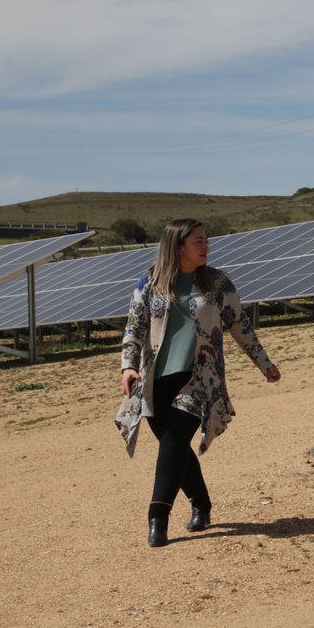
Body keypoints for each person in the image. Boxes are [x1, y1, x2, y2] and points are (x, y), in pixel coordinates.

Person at [116, 218, 281, 548]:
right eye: (198, 242)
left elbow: (240, 325)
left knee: (175, 440)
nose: (206, 247)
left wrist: (265, 363)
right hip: (155, 378)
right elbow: (134, 327)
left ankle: (157, 518)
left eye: (207, 241)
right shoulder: (150, 281)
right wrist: (127, 367)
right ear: (178, 246)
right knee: (174, 446)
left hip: (201, 377)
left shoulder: (217, 282)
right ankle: (201, 503)